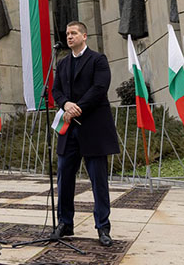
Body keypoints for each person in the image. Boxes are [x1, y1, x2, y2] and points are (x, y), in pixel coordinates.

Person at [50, 21, 120, 247]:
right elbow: (56, 90)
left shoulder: (98, 60)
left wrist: (76, 107)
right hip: (69, 131)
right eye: (67, 33)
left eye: (73, 33)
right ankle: (65, 222)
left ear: (84, 36)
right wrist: (65, 104)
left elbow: (100, 88)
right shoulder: (61, 63)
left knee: (98, 180)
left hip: (93, 128)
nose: (69, 37)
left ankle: (103, 226)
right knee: (64, 177)